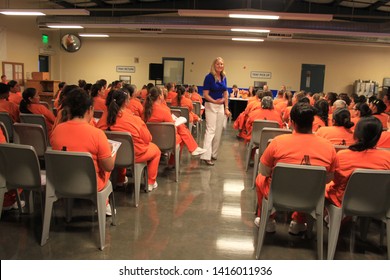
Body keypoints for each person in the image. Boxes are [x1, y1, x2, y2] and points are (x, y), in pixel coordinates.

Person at [254, 102, 337, 234]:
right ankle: (298, 222)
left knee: (260, 179)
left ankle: (268, 220)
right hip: (312, 198)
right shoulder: (329, 147)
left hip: (278, 195)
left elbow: (264, 171)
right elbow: (328, 179)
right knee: (311, 183)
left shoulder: (277, 142)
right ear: (312, 121)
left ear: (292, 122)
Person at [50, 88, 116, 215]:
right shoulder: (97, 134)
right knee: (108, 159)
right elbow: (108, 166)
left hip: (62, 181)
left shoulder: (57, 130)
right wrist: (111, 151)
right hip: (91, 184)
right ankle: (104, 204)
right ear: (90, 109)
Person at [96, 90, 161, 191]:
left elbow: (98, 134)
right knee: (156, 150)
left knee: (121, 144)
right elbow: (148, 138)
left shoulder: (103, 118)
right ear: (126, 102)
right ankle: (150, 182)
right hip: (134, 155)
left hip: (110, 156)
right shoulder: (134, 119)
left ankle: (120, 179)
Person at [325, 116, 390, 207]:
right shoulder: (388, 158)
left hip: (344, 202)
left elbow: (334, 179)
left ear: (356, 133)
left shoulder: (342, 155)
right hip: (376, 203)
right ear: (378, 136)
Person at [143, 86, 206, 157]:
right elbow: (173, 129)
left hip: (151, 138)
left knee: (181, 128)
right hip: (165, 139)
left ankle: (193, 148)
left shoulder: (145, 109)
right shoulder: (164, 110)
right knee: (182, 134)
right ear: (160, 97)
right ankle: (174, 163)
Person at [200, 57, 231, 165]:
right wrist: (215, 101)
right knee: (210, 130)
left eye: (222, 64)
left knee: (218, 131)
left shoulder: (223, 77)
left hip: (221, 107)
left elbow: (226, 93)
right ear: (214, 65)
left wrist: (226, 107)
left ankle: (214, 154)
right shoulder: (209, 77)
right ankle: (206, 156)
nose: (220, 66)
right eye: (218, 64)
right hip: (210, 106)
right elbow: (205, 94)